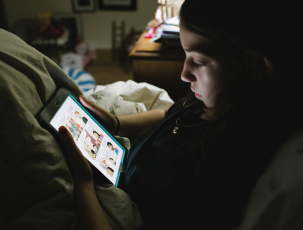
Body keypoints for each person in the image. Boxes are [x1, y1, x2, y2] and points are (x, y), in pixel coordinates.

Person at [58, 0, 302, 229]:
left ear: (256, 66)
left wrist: (84, 184)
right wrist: (118, 123)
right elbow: (170, 112)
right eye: (185, 56)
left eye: (199, 61)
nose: (184, 74)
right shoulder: (212, 102)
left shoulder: (214, 172)